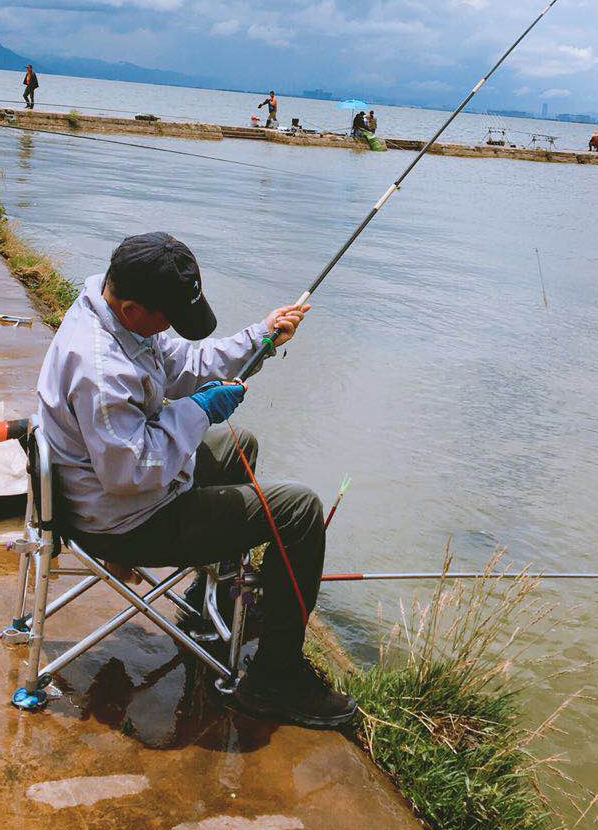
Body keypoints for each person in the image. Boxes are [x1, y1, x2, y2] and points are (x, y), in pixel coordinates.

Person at [36, 232, 358, 730]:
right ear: (132, 309)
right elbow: (132, 474)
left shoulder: (119, 312)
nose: (170, 328)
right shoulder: (100, 368)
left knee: (240, 444)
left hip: (114, 488)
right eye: (167, 318)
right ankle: (275, 678)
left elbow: (185, 364)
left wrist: (261, 337)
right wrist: (198, 411)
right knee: (298, 510)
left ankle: (211, 603)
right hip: (123, 520)